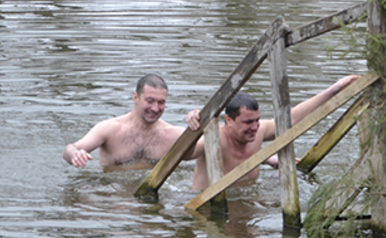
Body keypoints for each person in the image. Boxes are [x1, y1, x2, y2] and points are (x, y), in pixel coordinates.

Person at [188, 75, 361, 191]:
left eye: (257, 120)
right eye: (248, 122)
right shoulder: (213, 139)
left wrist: (335, 89)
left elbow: (291, 120)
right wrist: (193, 127)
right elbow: (185, 154)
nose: (255, 127)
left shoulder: (260, 130)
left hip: (248, 201)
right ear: (228, 120)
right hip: (209, 207)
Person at [63, 74, 194, 170]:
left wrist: (200, 118)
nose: (155, 108)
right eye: (150, 101)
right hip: (114, 199)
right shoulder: (109, 129)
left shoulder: (173, 135)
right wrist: (75, 154)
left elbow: (208, 141)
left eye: (161, 102)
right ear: (136, 98)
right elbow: (69, 149)